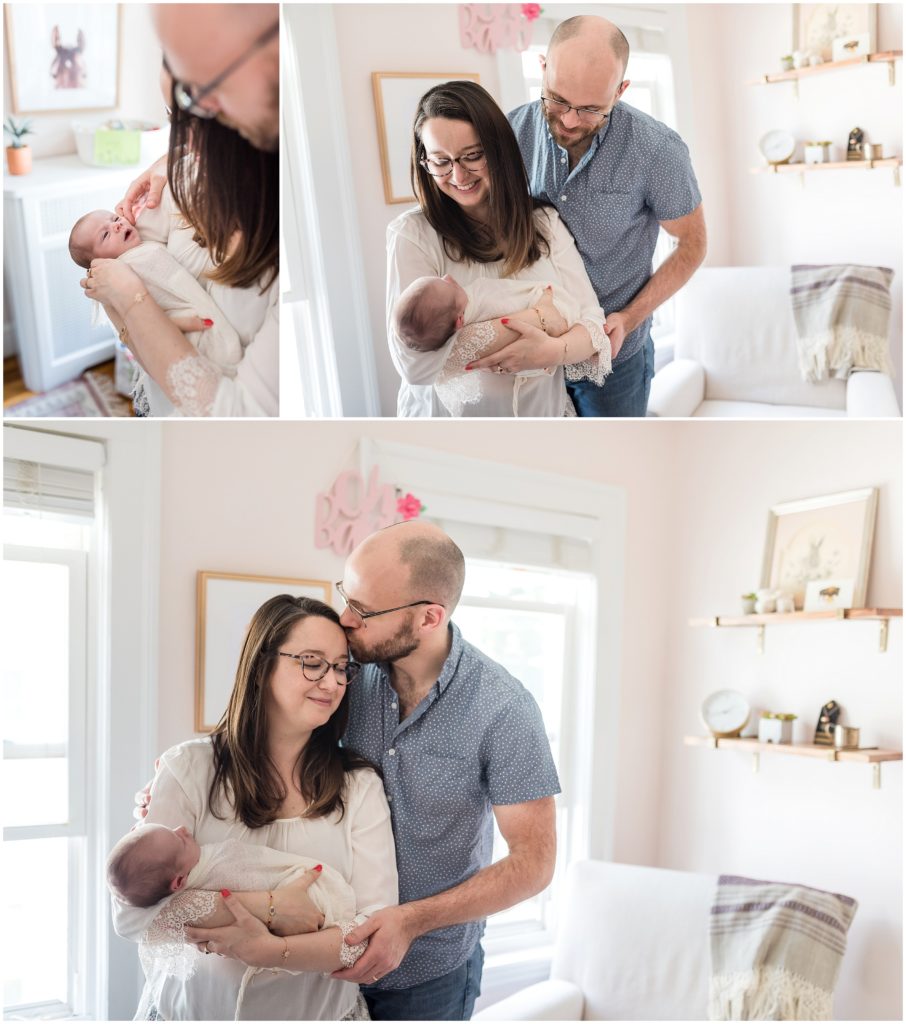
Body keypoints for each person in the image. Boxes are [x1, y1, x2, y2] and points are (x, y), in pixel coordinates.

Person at [113, 595, 398, 1021]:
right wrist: (270, 905)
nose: (332, 682)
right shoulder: (189, 767)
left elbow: (369, 934)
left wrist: (271, 950)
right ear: (262, 667)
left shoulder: (360, 786)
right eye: (312, 662)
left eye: (341, 667)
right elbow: (133, 918)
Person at [80, 8, 279, 417]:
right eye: (174, 112)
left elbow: (236, 417)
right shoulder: (182, 175)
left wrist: (131, 302)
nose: (181, 136)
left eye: (192, 102)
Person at [508, 14, 707, 417]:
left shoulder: (657, 151)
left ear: (620, 91)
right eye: (558, 100)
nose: (568, 120)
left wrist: (630, 318)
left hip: (614, 361)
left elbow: (693, 244)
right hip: (531, 354)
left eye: (589, 110)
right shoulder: (510, 134)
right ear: (543, 70)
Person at [387, 79, 610, 418]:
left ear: (498, 150)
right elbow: (415, 364)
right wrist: (537, 317)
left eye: (472, 156)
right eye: (440, 161)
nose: (458, 175)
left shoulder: (544, 223)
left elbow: (592, 325)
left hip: (541, 418)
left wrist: (551, 350)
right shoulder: (413, 235)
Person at [69, 200, 243, 394]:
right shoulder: (121, 274)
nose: (117, 225)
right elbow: (140, 320)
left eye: (115, 218)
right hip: (179, 331)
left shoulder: (145, 240)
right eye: (106, 234)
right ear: (99, 262)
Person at [392, 276, 583, 415]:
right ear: (460, 321)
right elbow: (506, 296)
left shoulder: (446, 324)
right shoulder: (482, 301)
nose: (449, 277)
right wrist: (542, 307)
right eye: (446, 285)